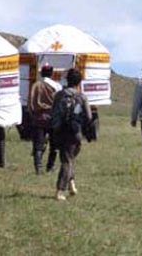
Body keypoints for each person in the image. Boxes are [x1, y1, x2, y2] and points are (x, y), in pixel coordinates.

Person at [52, 68, 92, 201]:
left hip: (59, 131)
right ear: (79, 82)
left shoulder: (58, 95)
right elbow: (89, 116)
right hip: (75, 132)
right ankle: (64, 188)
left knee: (67, 159)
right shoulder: (82, 97)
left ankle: (66, 186)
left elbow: (53, 113)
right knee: (68, 160)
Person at [28, 63, 62, 174]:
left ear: (41, 73)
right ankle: (50, 167)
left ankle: (38, 168)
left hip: (39, 118)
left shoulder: (36, 85)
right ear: (52, 73)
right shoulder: (57, 86)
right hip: (53, 118)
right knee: (54, 145)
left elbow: (31, 102)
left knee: (38, 145)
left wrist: (33, 114)